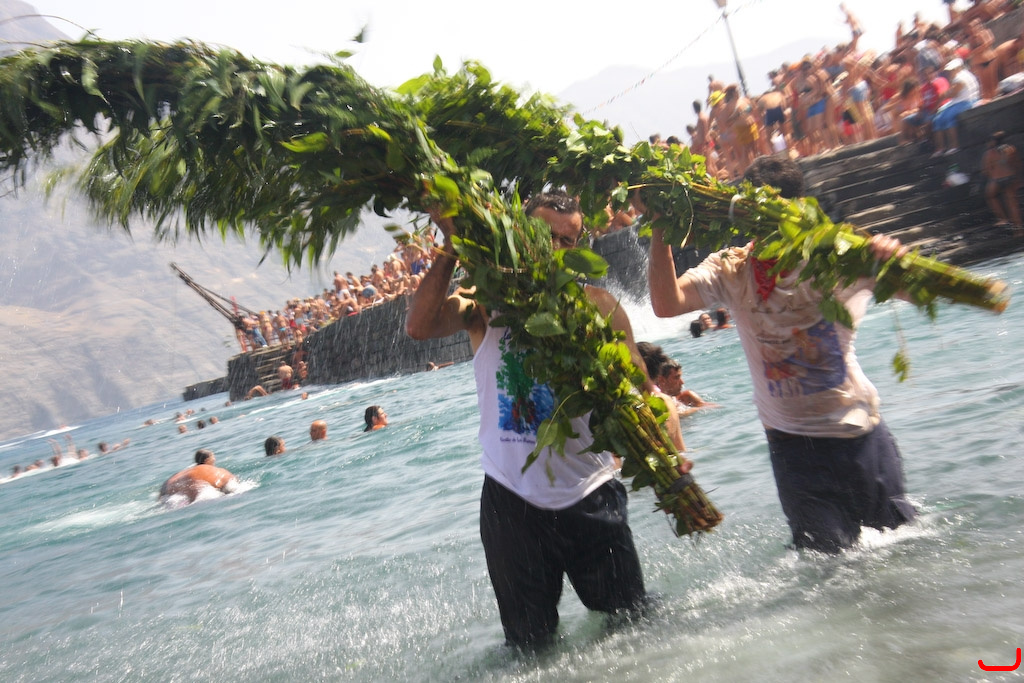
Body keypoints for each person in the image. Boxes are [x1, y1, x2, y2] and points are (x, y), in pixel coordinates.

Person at [406, 190, 683, 648]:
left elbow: (640, 392)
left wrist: (668, 463)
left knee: (635, 627)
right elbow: (419, 326)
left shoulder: (599, 307)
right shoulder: (483, 304)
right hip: (511, 503)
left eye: (568, 241)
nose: (556, 249)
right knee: (529, 648)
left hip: (591, 492)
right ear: (519, 234)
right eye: (545, 236)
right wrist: (451, 246)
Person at [642, 155, 916, 553]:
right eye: (754, 217)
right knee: (827, 567)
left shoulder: (836, 255)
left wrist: (893, 261)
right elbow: (666, 303)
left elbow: (913, 293)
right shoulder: (732, 268)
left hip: (860, 434)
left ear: (799, 209)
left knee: (903, 547)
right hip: (793, 450)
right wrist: (660, 231)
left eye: (773, 216)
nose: (763, 229)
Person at [158, 450, 237, 504]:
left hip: (169, 493)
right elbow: (232, 483)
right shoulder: (213, 471)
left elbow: (162, 494)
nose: (214, 461)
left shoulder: (181, 473)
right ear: (207, 460)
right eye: (213, 459)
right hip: (202, 494)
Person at [981, 130, 1023, 230]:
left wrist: (992, 177)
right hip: (1010, 178)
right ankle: (1019, 228)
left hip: (997, 180)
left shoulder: (989, 153)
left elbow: (986, 171)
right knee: (1012, 204)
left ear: (993, 142)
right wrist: (1018, 178)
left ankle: (1003, 218)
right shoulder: (1011, 149)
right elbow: (1018, 165)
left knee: (990, 196)